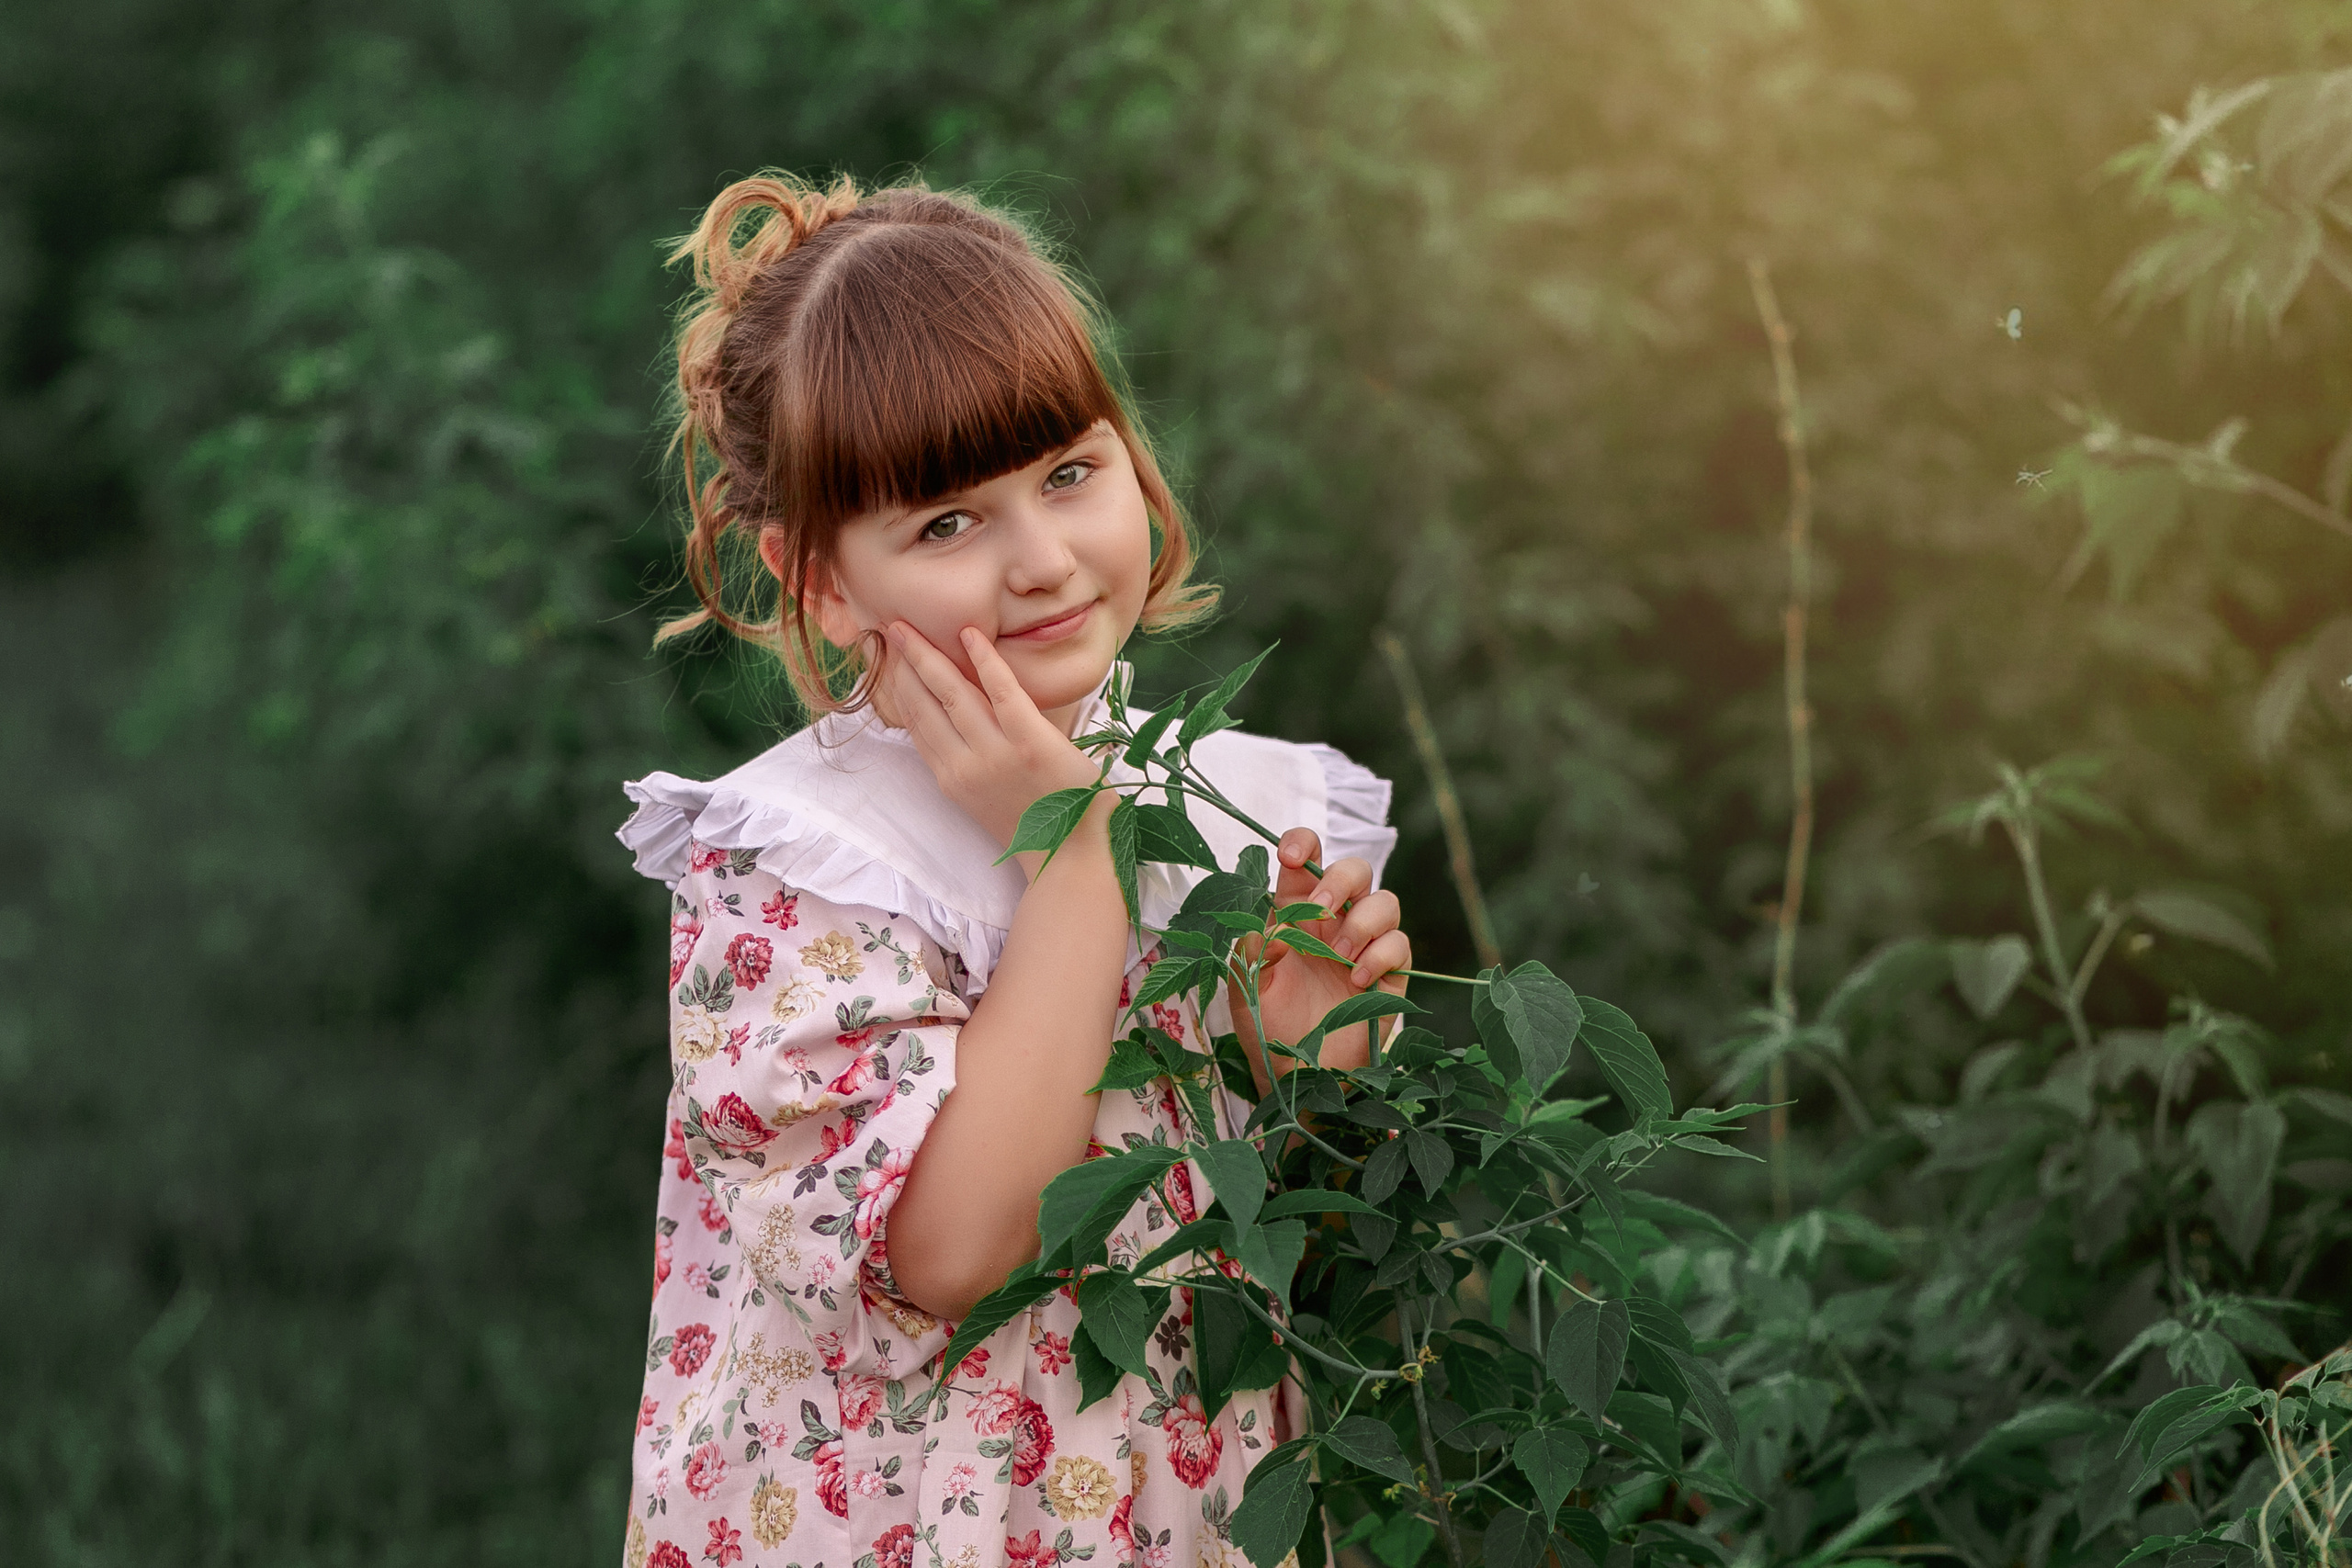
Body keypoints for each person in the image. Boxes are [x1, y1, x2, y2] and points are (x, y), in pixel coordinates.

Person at [614, 173, 1413, 1568]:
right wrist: (1084, 851)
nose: (1043, 560)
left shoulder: (1234, 800)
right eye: (946, 523)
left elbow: (1273, 1199)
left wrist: (1302, 1043)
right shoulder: (809, 865)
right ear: (819, 579)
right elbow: (957, 1247)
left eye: (1069, 474)